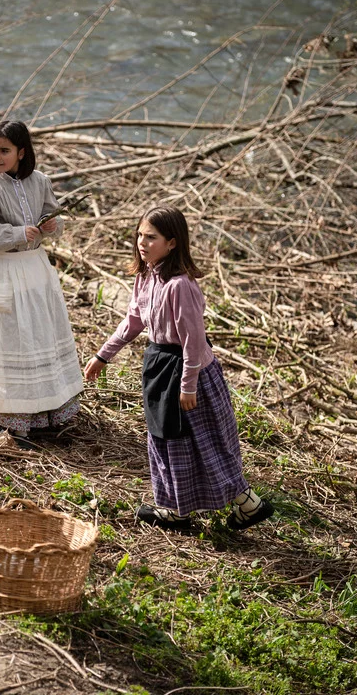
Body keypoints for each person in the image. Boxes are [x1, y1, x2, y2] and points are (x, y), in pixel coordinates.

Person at [83, 205, 273, 531]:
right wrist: (103, 356)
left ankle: (248, 504)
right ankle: (177, 510)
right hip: (159, 368)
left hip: (188, 372)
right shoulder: (145, 276)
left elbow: (193, 341)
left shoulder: (180, 285)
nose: (142, 243)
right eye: (140, 235)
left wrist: (188, 385)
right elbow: (133, 321)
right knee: (166, 441)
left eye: (151, 237)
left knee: (205, 443)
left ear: (172, 243)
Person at [0, 120, 84, 442]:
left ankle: (47, 412)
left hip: (35, 269)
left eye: (4, 150)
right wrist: (18, 233)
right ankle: (11, 418)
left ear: (21, 152)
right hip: (2, 270)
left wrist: (52, 226)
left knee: (41, 336)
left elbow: (53, 217)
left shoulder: (40, 181)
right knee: (9, 340)